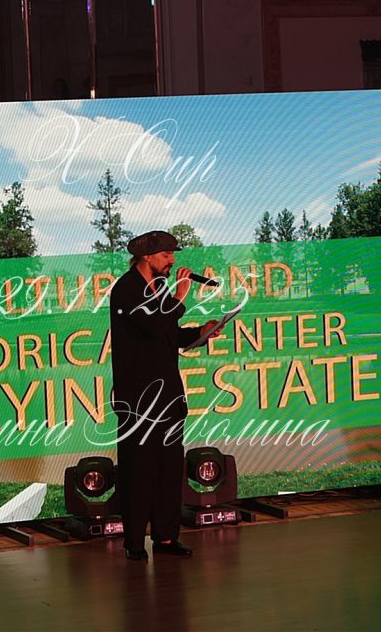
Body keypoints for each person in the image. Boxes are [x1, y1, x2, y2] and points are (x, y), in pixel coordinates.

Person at [109, 230, 222, 560]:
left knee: (169, 470)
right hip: (138, 399)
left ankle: (166, 537)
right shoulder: (126, 290)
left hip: (168, 396)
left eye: (173, 254)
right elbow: (153, 326)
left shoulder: (159, 289)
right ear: (147, 257)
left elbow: (168, 335)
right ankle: (134, 542)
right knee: (139, 470)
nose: (172, 261)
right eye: (166, 255)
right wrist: (181, 296)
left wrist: (200, 333)